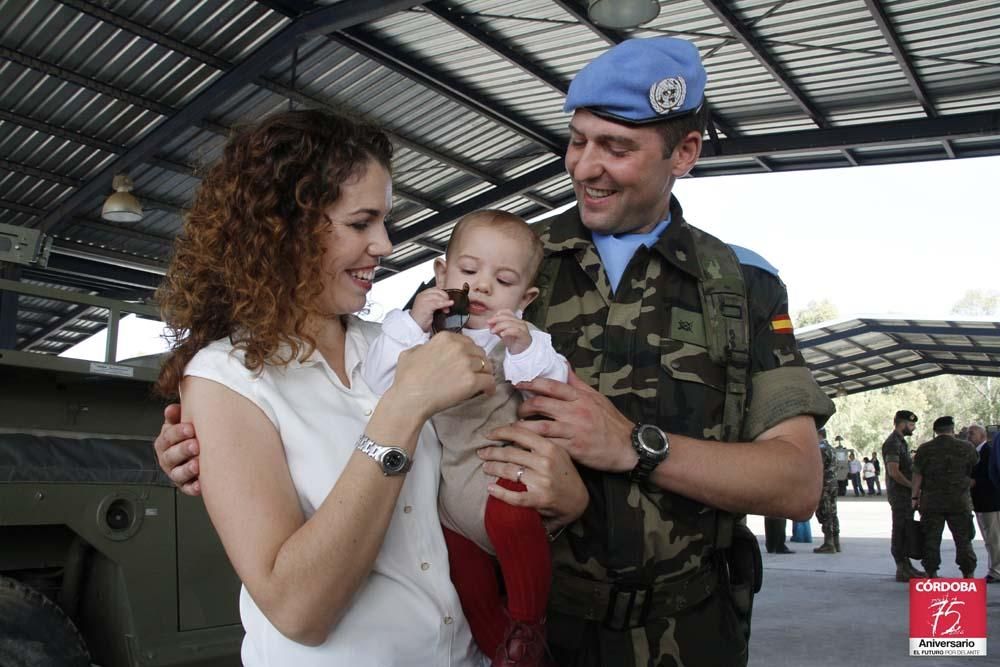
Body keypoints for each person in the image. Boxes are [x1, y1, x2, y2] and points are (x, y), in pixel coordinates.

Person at [156, 37, 836, 667]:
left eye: (616, 147)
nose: (586, 166)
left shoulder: (738, 286)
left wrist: (632, 446)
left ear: (683, 153)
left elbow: (798, 483)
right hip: (524, 631)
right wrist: (218, 445)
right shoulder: (495, 258)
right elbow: (351, 370)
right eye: (576, 141)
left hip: (687, 631)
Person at [152, 109, 587, 666]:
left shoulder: (396, 342)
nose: (384, 244)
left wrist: (566, 497)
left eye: (384, 221)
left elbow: (472, 480)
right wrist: (403, 409)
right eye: (361, 223)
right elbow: (298, 612)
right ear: (286, 228)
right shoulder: (224, 379)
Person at [362, 210, 569, 664]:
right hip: (446, 492)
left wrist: (521, 346)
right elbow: (377, 382)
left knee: (514, 521)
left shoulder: (520, 337)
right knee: (462, 566)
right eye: (469, 271)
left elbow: (553, 383)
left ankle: (529, 625)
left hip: (497, 473)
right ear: (442, 273)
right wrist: (412, 320)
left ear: (526, 296)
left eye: (505, 279)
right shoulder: (424, 334)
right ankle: (506, 651)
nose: (483, 286)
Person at [911, 416, 978, 578]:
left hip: (931, 503)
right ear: (952, 429)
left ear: (935, 431)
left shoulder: (924, 449)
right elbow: (974, 470)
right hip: (959, 502)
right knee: (964, 540)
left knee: (931, 541)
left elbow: (917, 475)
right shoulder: (967, 447)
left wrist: (914, 498)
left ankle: (931, 574)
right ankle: (968, 575)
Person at [882, 409, 926, 581]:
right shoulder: (893, 443)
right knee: (900, 530)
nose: (913, 428)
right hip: (900, 495)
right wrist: (912, 486)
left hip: (905, 495)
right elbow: (894, 472)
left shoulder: (901, 442)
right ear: (903, 423)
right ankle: (902, 568)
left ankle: (907, 566)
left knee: (906, 529)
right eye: (912, 424)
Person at [968, 424, 1000, 582]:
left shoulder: (987, 452)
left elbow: (992, 475)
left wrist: (974, 482)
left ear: (982, 435)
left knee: (993, 538)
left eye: (972, 433)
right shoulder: (976, 453)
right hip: (982, 502)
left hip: (990, 502)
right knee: (991, 538)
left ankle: (996, 570)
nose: (969, 436)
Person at [814, 428, 840, 553]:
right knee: (833, 511)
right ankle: (836, 541)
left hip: (825, 484)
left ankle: (828, 543)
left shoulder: (821, 449)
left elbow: (818, 467)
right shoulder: (831, 448)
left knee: (825, 512)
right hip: (833, 484)